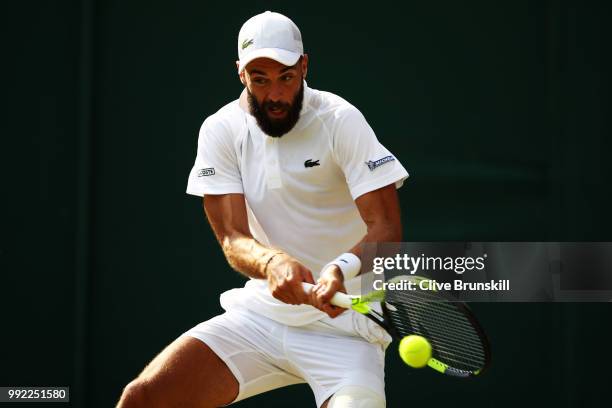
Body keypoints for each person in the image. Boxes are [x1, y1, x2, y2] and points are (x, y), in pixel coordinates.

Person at [117, 11, 408, 408]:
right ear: (241, 74)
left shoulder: (341, 120)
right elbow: (233, 237)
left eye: (286, 77)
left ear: (304, 67)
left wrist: (341, 268)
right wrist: (272, 263)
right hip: (261, 317)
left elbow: (386, 228)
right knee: (144, 398)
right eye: (260, 79)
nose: (275, 94)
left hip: (346, 326)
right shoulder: (220, 129)